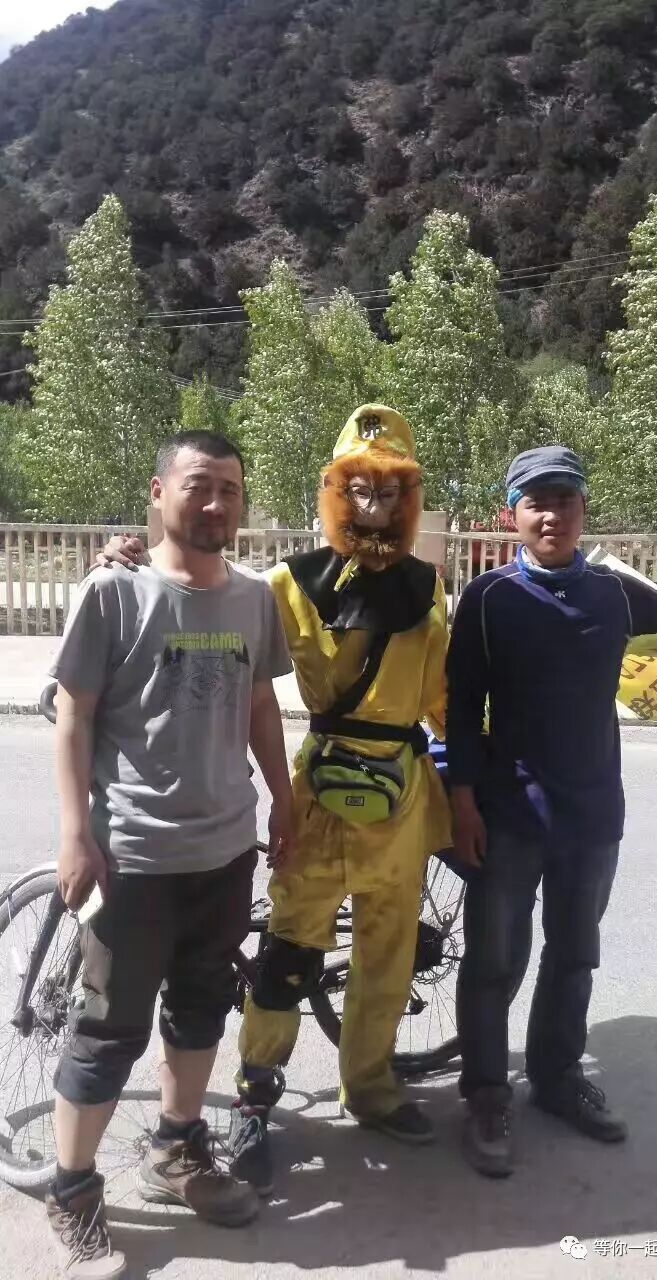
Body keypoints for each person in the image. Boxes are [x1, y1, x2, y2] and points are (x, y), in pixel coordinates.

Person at [103, 406, 451, 1194]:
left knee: (388, 956)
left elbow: (442, 695)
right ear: (337, 490)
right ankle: (256, 1097)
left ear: (408, 498)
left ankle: (370, 1086)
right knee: (288, 955)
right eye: (359, 486)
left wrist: (473, 777)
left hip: (401, 799)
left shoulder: (429, 587)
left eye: (389, 488)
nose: (373, 502)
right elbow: (213, 605)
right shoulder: (291, 583)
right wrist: (132, 560)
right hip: (321, 795)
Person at [47, 430, 294, 1279]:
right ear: (159, 493)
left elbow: (260, 706)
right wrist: (76, 832)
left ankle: (176, 1150)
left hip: (224, 851)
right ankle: (72, 1189)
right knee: (107, 1030)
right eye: (199, 485)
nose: (217, 502)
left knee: (199, 1010)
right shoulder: (113, 592)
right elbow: (74, 714)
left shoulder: (254, 598)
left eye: (230, 487)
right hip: (133, 859)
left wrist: (285, 800)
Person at [447, 445, 657, 1180]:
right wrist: (463, 801)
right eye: (535, 502)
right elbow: (462, 708)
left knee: (574, 955)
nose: (551, 515)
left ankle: (557, 1078)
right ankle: (486, 1095)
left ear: (582, 508)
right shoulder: (489, 599)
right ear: (511, 515)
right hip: (509, 814)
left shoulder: (616, 593)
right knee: (495, 961)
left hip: (593, 815)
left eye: (563, 499)